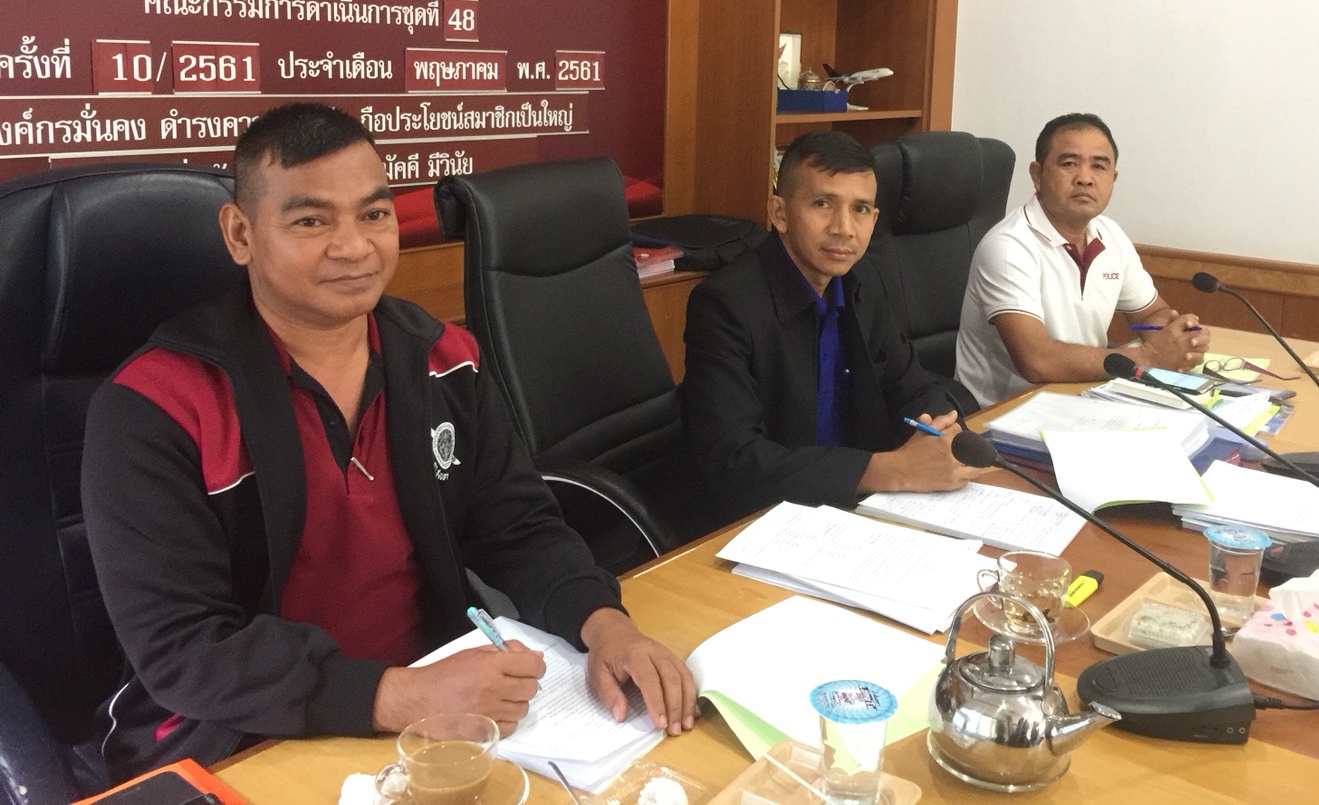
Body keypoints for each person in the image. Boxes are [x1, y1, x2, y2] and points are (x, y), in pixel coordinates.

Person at [81, 103, 695, 782]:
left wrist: (606, 625)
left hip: (434, 714)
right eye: (311, 221)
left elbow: (518, 527)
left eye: (373, 214)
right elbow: (185, 648)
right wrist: (402, 696)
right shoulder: (156, 407)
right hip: (240, 737)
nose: (354, 247)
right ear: (240, 234)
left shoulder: (445, 360)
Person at [680, 130, 987, 523]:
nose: (844, 228)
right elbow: (735, 461)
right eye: (823, 204)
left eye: (860, 209)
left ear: (874, 220)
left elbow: (912, 385)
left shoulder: (864, 280)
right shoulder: (725, 304)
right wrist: (893, 469)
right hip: (764, 516)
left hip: (855, 505)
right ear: (780, 214)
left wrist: (945, 434)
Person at [955, 112, 1210, 407]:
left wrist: (1179, 336)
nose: (1085, 178)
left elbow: (1151, 313)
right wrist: (1148, 357)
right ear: (1037, 175)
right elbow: (1036, 360)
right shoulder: (1009, 246)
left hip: (1085, 397)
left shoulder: (1110, 235)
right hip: (1005, 412)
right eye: (1069, 164)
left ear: (1113, 178)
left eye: (1099, 166)